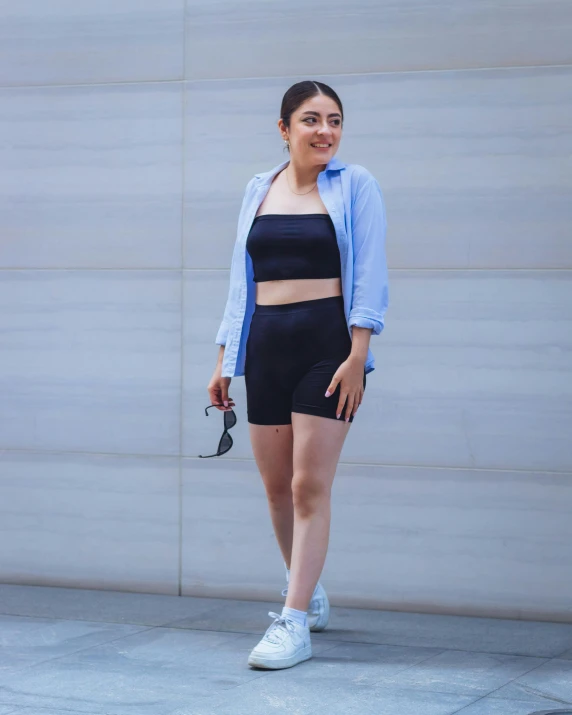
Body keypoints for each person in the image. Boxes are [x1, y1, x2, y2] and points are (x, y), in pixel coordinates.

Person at [207, 80, 388, 670]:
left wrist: (359, 351)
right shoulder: (257, 189)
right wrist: (225, 357)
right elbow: (242, 279)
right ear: (284, 129)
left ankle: (293, 622)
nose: (325, 132)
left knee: (310, 486)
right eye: (311, 120)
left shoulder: (355, 185)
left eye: (334, 120)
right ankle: (305, 590)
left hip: (327, 349)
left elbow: (370, 268)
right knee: (276, 486)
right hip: (264, 345)